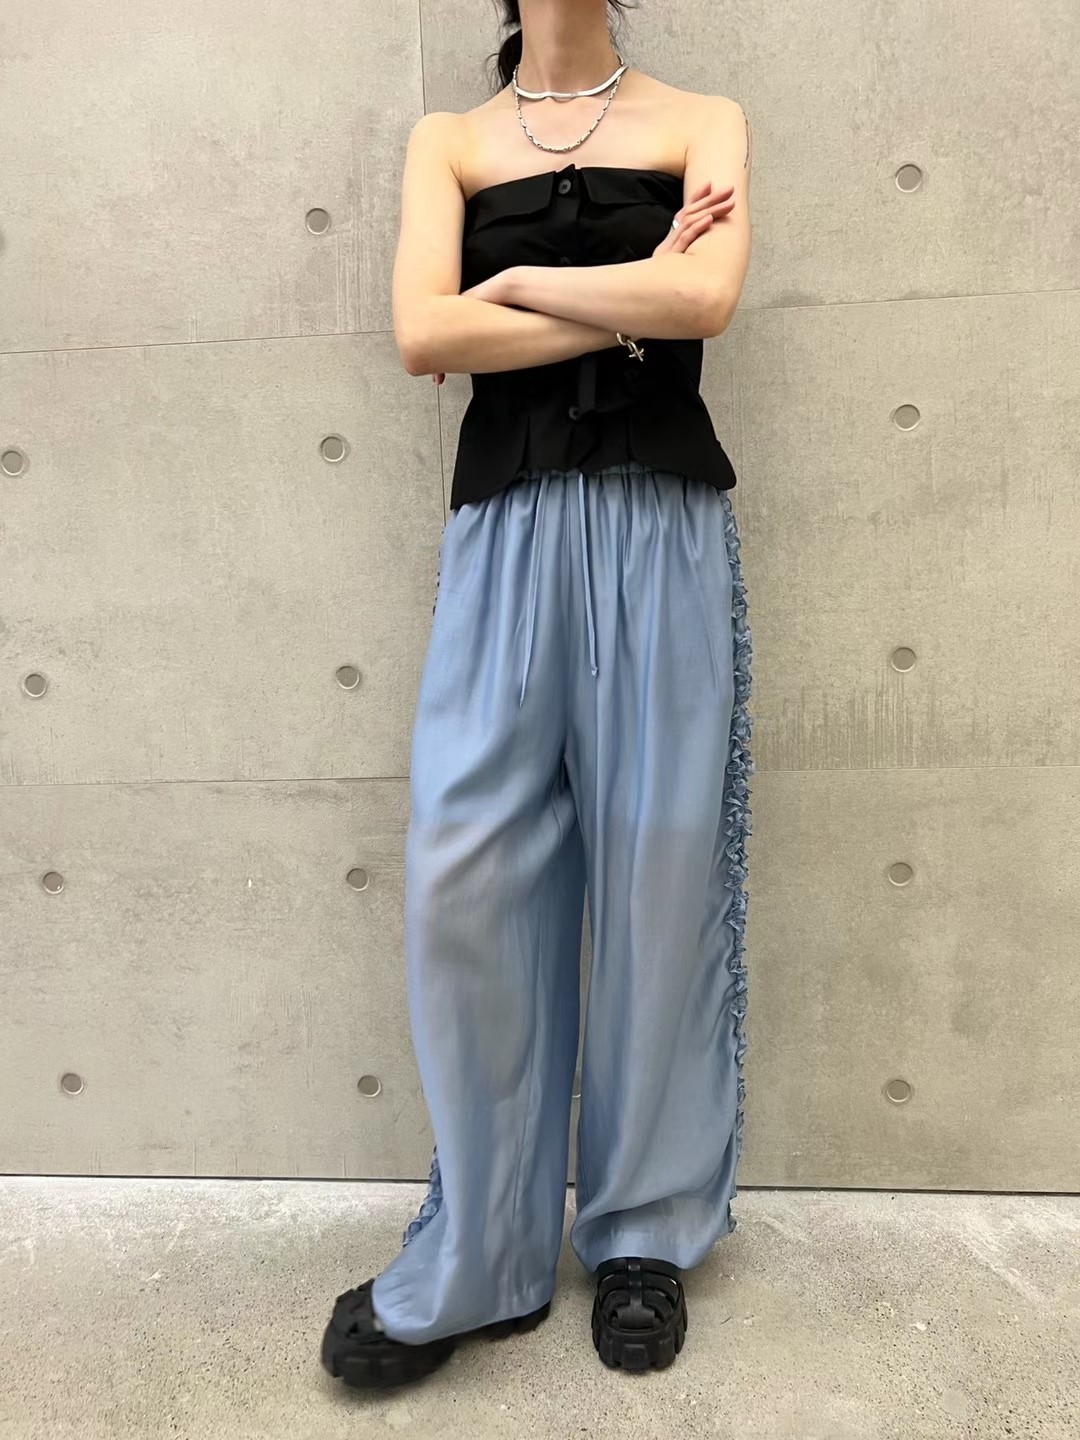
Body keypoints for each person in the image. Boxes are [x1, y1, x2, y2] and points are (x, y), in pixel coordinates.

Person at [321, 0, 753, 1388]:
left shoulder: (703, 121)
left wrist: (505, 295)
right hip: (503, 530)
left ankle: (642, 1237)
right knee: (466, 868)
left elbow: (703, 305)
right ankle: (488, 1246)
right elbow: (419, 336)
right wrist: (618, 295)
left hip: (661, 524)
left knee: (660, 871)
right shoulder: (448, 142)